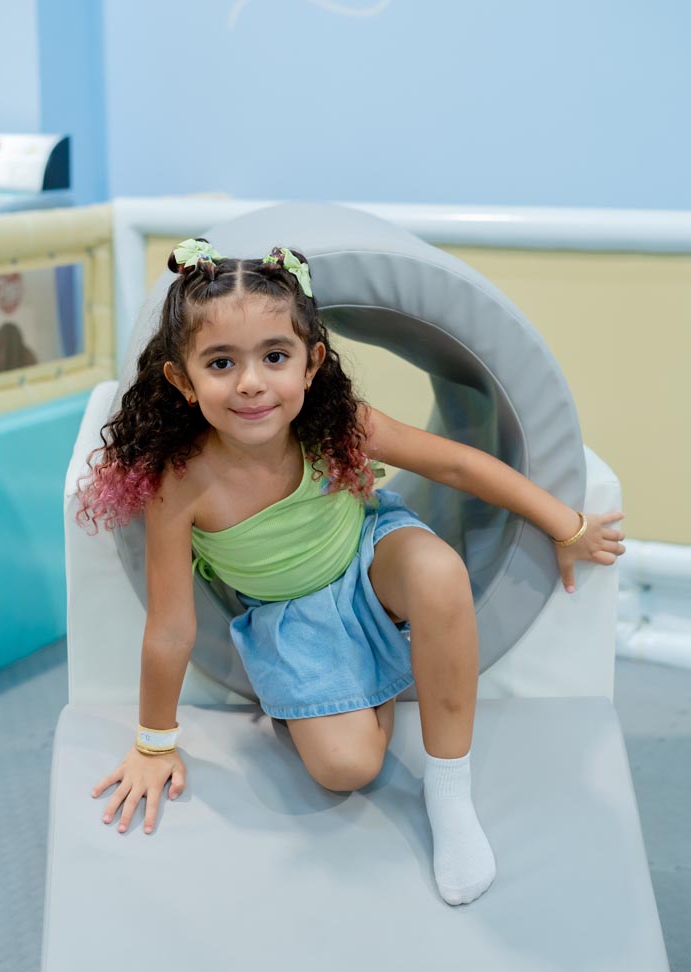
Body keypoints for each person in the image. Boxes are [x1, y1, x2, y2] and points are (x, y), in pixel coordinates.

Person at [77, 237, 626, 906]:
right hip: (294, 618)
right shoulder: (180, 483)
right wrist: (154, 745)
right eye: (221, 362)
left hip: (371, 556)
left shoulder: (338, 427)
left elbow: (454, 464)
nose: (251, 383)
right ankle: (368, 672)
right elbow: (170, 627)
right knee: (347, 768)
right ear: (183, 381)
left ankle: (449, 791)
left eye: (274, 357)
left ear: (311, 364)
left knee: (438, 572)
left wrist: (567, 525)